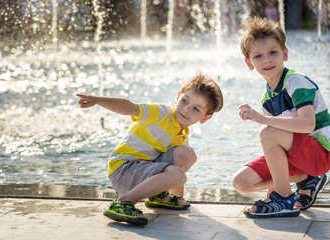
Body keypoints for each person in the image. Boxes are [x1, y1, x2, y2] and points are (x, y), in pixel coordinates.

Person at [76, 72, 223, 225]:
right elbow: (129, 108)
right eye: (185, 100)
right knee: (179, 174)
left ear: (205, 117)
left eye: (196, 109)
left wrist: (175, 198)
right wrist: (97, 100)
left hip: (143, 170)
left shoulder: (183, 133)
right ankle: (123, 203)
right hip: (124, 170)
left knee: (187, 154)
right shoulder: (161, 113)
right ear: (178, 96)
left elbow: (177, 171)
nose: (186, 109)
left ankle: (160, 197)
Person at [232, 17, 330, 218]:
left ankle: (284, 199)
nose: (266, 60)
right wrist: (279, 178)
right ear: (249, 63)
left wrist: (262, 119)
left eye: (273, 52)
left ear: (284, 53)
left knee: (268, 132)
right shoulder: (267, 97)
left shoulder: (295, 82)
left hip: (321, 152)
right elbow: (277, 144)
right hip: (299, 155)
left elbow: (307, 124)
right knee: (241, 182)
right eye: (258, 56)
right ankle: (307, 179)